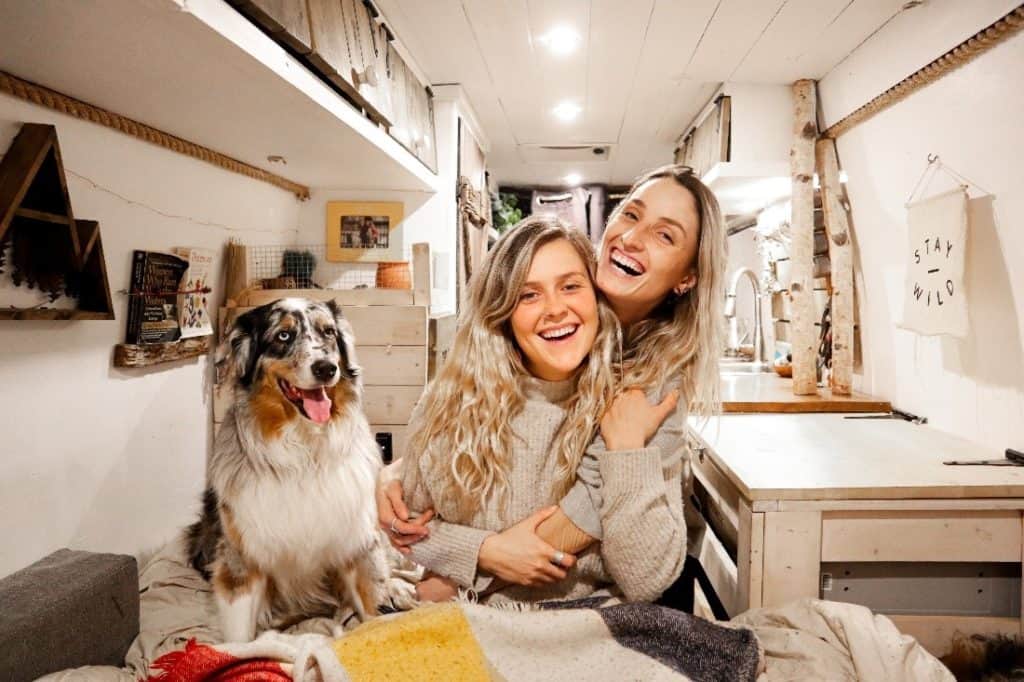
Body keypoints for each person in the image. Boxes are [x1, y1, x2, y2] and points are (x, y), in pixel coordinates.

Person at [382, 164, 727, 603]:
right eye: (631, 215)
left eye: (666, 236)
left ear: (687, 277)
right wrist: (390, 475)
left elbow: (588, 516)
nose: (634, 238)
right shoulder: (515, 352)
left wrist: (473, 565)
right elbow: (418, 504)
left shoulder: (654, 383)